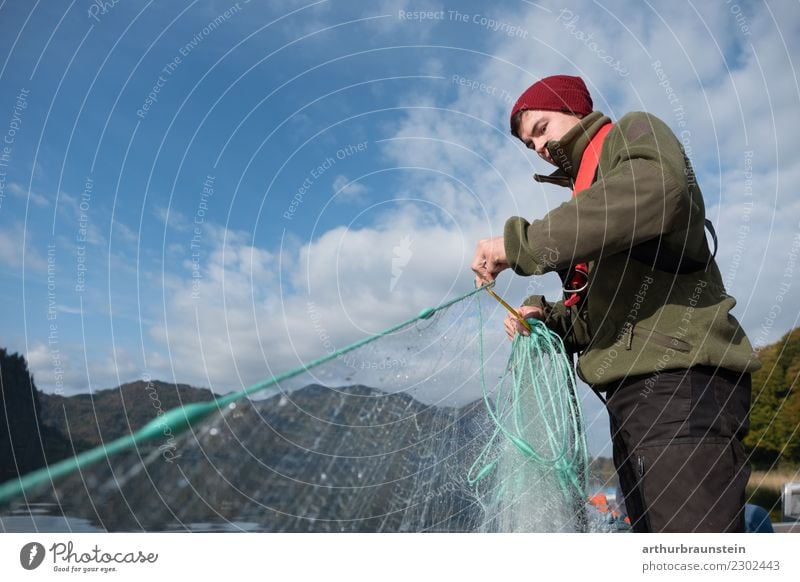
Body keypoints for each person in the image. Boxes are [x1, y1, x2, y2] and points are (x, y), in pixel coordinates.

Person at [471, 74, 761, 533]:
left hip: (678, 381)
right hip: (629, 400)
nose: (538, 147)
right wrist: (546, 319)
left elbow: (659, 191)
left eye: (542, 128)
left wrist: (521, 244)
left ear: (574, 109)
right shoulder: (586, 201)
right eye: (529, 145)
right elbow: (595, 323)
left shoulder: (633, 132)